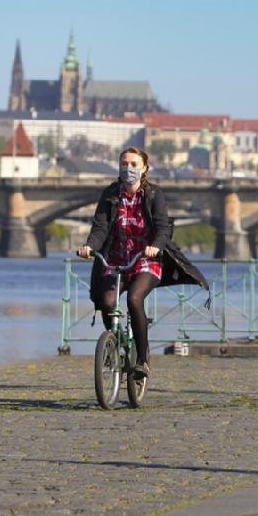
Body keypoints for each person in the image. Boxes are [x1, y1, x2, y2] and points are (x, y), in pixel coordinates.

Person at [77, 147, 208, 377]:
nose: (128, 169)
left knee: (134, 298)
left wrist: (156, 246)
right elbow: (101, 227)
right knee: (106, 301)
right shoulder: (110, 194)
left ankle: (143, 357)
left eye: (134, 164)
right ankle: (113, 344)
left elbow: (162, 227)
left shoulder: (153, 194)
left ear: (144, 168)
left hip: (146, 260)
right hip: (116, 259)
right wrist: (90, 247)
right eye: (124, 164)